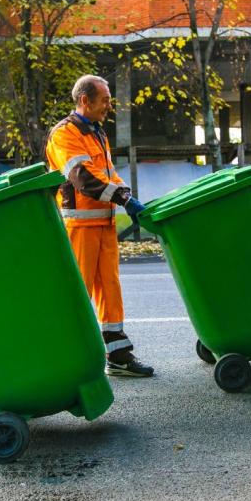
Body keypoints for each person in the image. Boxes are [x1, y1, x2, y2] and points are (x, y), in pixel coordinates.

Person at [45, 75, 155, 378]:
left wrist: (129, 197)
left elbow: (108, 175)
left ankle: (118, 355)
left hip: (103, 224)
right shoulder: (64, 134)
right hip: (79, 227)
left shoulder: (96, 133)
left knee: (110, 290)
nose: (109, 105)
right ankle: (64, 359)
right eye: (104, 99)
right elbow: (82, 178)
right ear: (85, 100)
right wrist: (123, 199)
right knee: (78, 294)